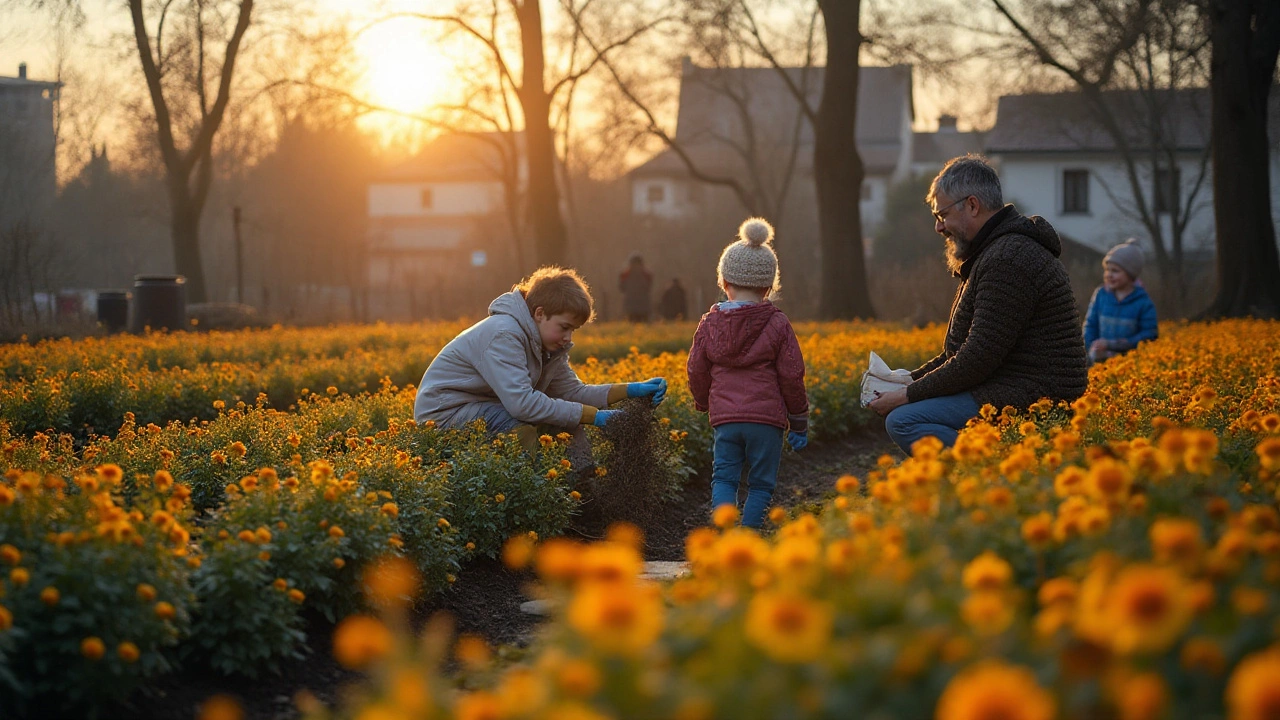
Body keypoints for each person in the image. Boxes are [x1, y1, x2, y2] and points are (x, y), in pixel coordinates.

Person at [868, 154, 1087, 454]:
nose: (939, 228)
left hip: (1037, 395)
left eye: (941, 215)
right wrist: (907, 380)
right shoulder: (993, 253)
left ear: (972, 205)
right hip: (1013, 385)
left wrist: (907, 395)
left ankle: (996, 473)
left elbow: (977, 358)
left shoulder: (1009, 259)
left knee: (904, 421)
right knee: (907, 410)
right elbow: (958, 353)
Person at [413, 266, 667, 464]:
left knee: (568, 419)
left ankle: (582, 495)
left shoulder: (549, 346)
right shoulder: (504, 334)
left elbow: (572, 393)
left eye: (574, 330)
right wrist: (596, 417)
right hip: (444, 414)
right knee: (517, 425)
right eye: (564, 327)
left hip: (483, 407)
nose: (569, 338)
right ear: (539, 313)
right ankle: (533, 493)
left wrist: (631, 389)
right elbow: (522, 404)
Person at [687, 218, 809, 529]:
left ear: (724, 283)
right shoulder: (778, 323)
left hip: (726, 419)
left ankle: (725, 536)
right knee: (761, 484)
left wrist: (704, 402)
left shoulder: (709, 323)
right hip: (766, 421)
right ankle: (749, 539)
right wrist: (798, 421)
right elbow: (792, 375)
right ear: (768, 287)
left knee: (724, 479)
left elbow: (696, 369)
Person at [1083, 239, 1158, 365]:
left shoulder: (1143, 301)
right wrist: (1092, 345)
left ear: (1130, 275)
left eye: (1115, 271)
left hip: (1129, 364)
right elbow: (1090, 324)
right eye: (1107, 270)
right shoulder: (1101, 295)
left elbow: (1149, 335)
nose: (1109, 275)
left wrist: (1114, 345)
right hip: (1098, 360)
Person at [619, 253, 653, 322]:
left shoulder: (625, 273)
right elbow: (649, 286)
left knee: (632, 323)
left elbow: (622, 287)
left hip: (630, 304)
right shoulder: (646, 273)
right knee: (644, 324)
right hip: (644, 304)